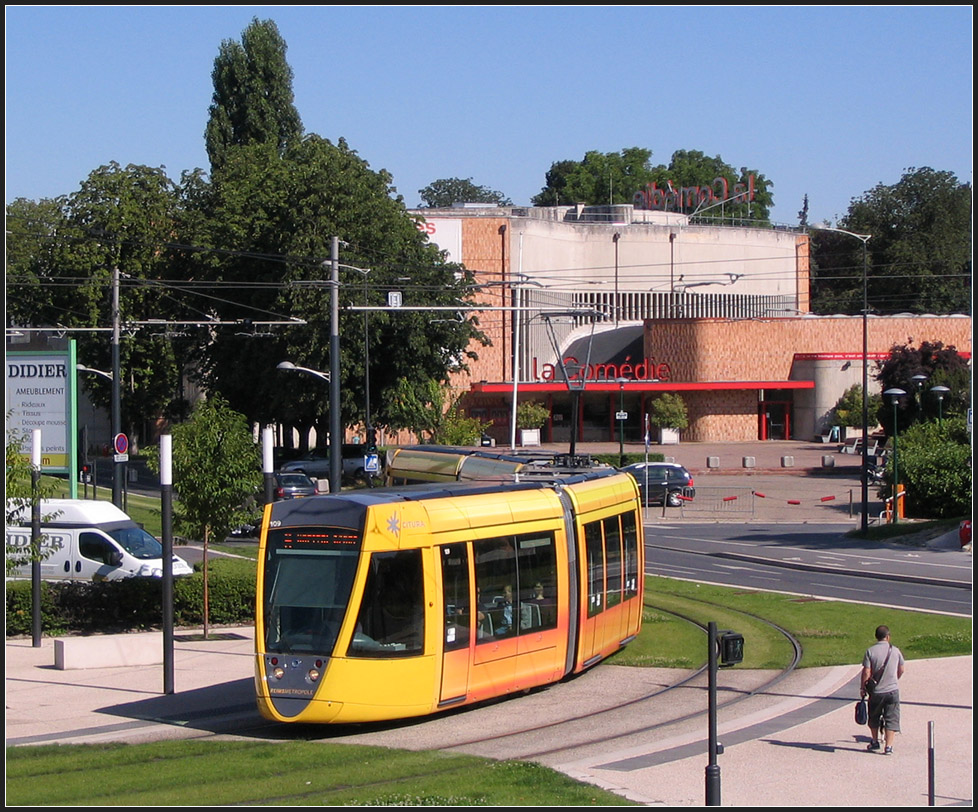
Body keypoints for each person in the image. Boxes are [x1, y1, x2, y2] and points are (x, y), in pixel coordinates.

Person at [860, 624, 906, 754]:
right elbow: (902, 669)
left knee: (874, 716)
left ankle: (875, 741)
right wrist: (894, 679)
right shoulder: (895, 650)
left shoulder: (870, 651)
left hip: (876, 692)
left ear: (876, 637)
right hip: (892, 690)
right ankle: (889, 746)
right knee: (891, 717)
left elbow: (867, 672)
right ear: (888, 637)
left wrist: (863, 688)